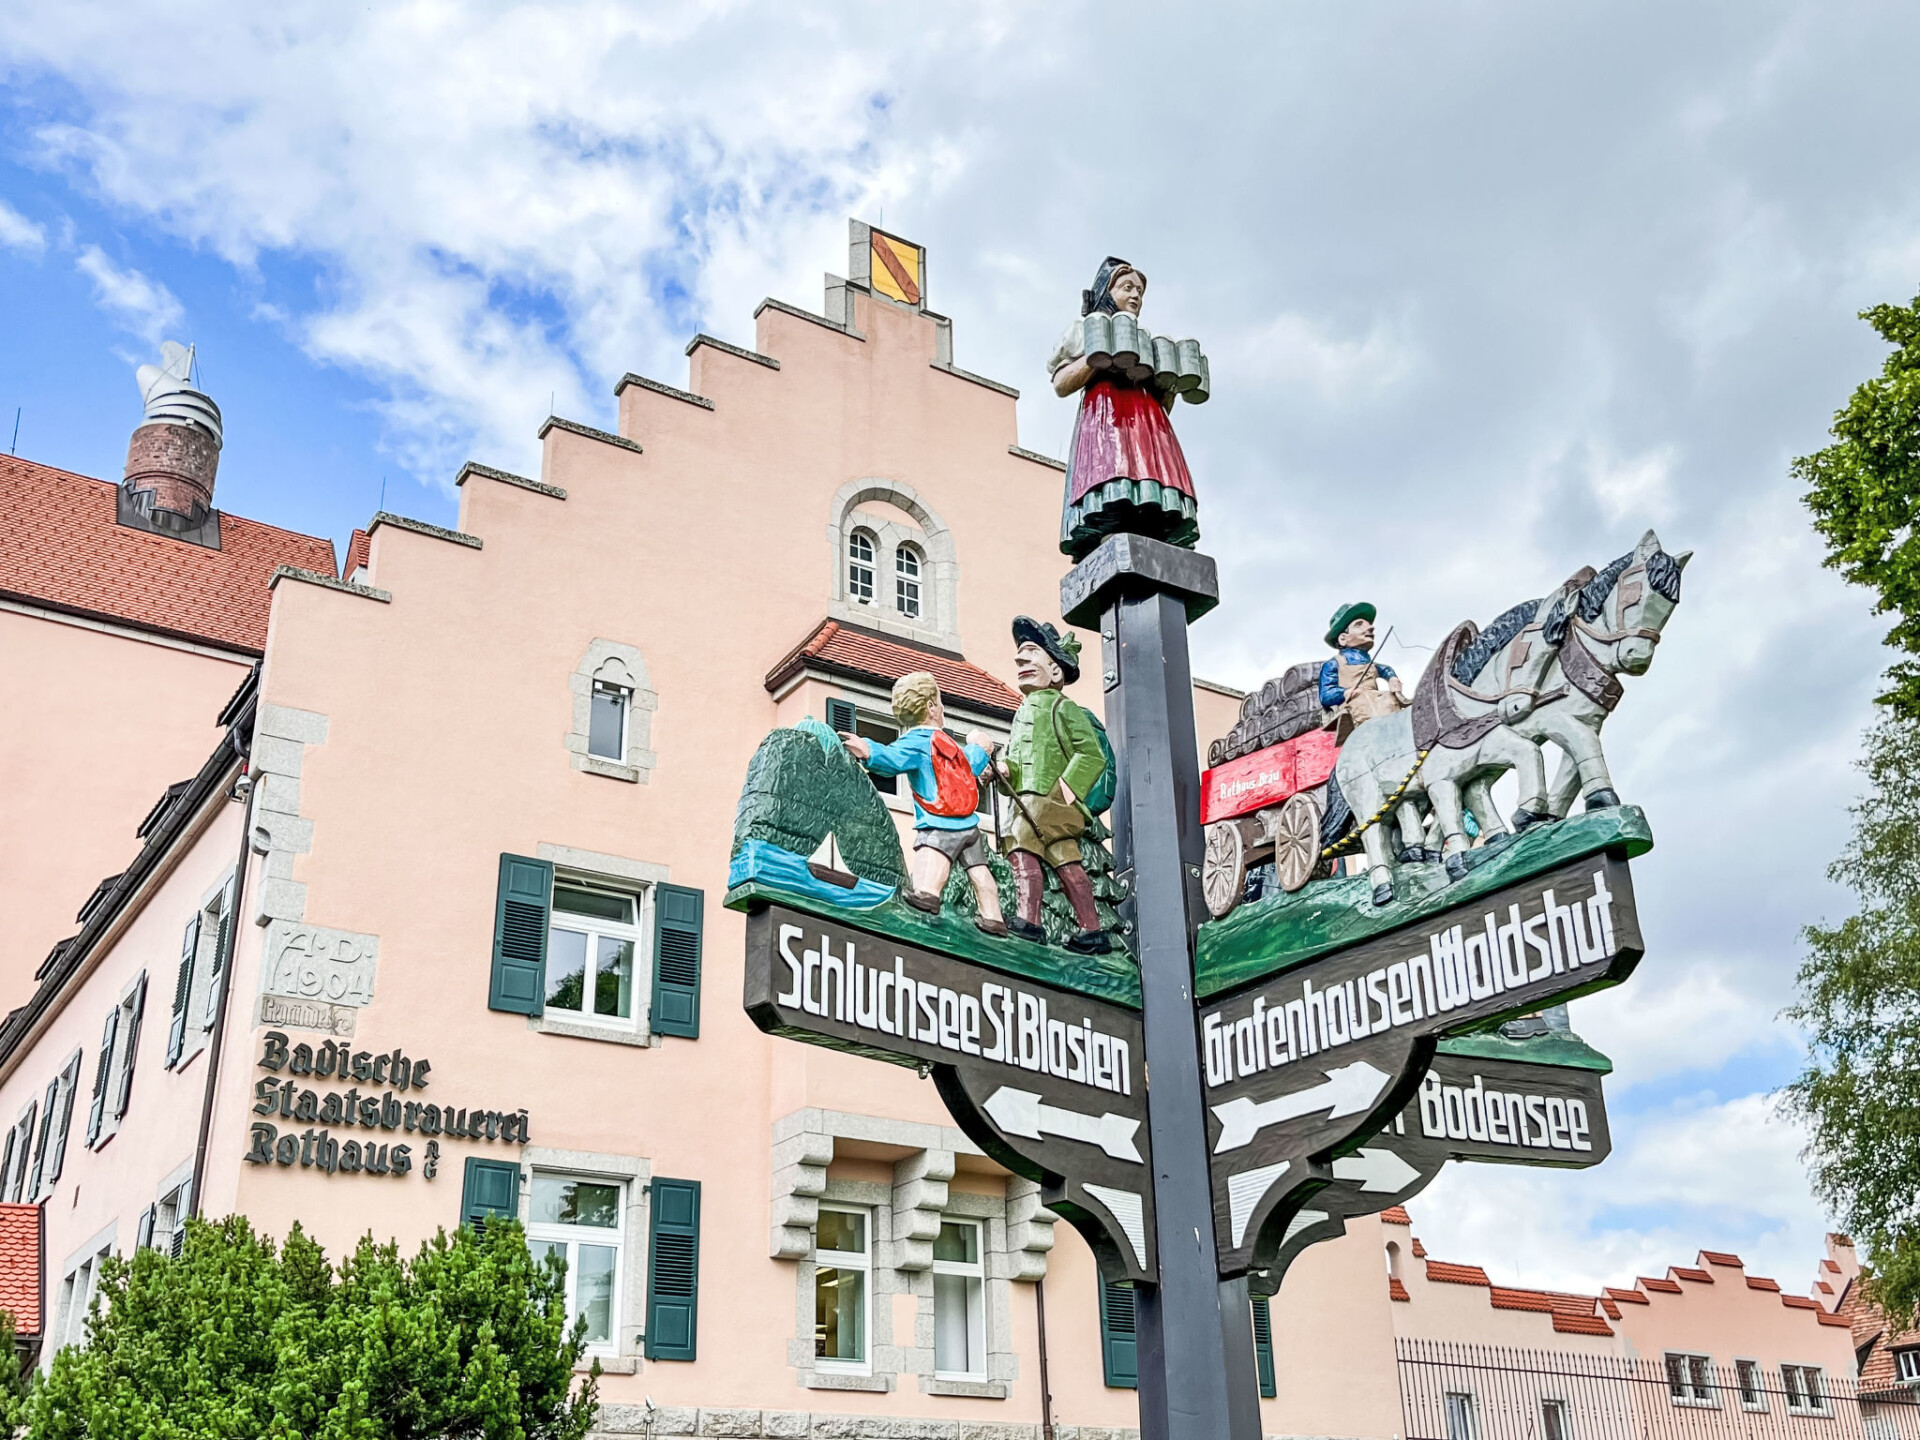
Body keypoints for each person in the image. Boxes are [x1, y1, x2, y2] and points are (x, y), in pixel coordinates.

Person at [1049, 257, 1199, 559]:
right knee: (1113, 483)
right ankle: (1111, 528)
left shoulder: (1147, 342)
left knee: (1152, 483)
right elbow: (1061, 383)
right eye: (1127, 287)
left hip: (1146, 425)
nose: (1135, 296)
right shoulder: (1086, 329)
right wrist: (1098, 355)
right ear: (1106, 291)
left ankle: (1156, 528)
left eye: (1139, 291)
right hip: (1107, 416)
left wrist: (1168, 386)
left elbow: (1162, 407)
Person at [839, 672, 1007, 937]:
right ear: (930, 707)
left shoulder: (916, 742)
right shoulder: (947, 742)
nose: (942, 708)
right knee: (979, 871)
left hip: (939, 821)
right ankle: (993, 917)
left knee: (933, 856)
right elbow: (970, 766)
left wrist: (868, 750)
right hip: (969, 823)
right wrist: (980, 748)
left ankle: (928, 894)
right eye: (940, 702)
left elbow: (892, 759)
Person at [993, 618, 1112, 954]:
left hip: (1047, 802)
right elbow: (1017, 760)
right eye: (1021, 653)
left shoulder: (1063, 706)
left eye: (1031, 652)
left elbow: (1091, 754)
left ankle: (1028, 920)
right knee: (1066, 861)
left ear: (1055, 670)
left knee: (1020, 846)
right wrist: (1004, 771)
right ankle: (1092, 930)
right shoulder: (1021, 713)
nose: (1021, 659)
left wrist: (1064, 791)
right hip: (1028, 798)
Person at [1318, 601, 1406, 734]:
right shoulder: (1334, 664)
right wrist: (1345, 693)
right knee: (1363, 703)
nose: (1371, 628)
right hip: (1353, 705)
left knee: (1390, 699)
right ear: (1343, 638)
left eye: (1369, 624)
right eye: (1359, 625)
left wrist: (1392, 678)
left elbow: (1385, 669)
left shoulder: (1371, 664)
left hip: (1377, 700)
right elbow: (1326, 694)